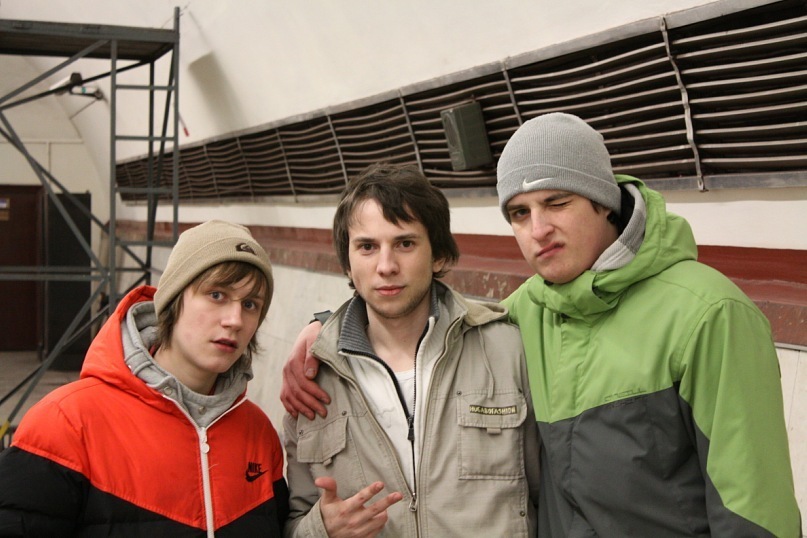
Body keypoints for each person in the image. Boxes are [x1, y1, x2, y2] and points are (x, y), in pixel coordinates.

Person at [280, 114, 801, 537]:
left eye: (557, 203)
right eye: (519, 213)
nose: (539, 229)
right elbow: (426, 312)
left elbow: (753, 508)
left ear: (603, 201)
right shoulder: (525, 312)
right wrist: (323, 330)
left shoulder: (708, 313)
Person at [282, 163, 540, 537]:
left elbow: (551, 496)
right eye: (367, 247)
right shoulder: (312, 379)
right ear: (348, 263)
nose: (386, 266)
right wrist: (321, 530)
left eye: (405, 243)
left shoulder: (508, 350)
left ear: (438, 255)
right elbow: (293, 520)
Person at [0, 220, 289, 536]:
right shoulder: (67, 423)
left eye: (250, 304)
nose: (235, 320)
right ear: (173, 300)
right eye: (217, 295)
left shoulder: (258, 433)